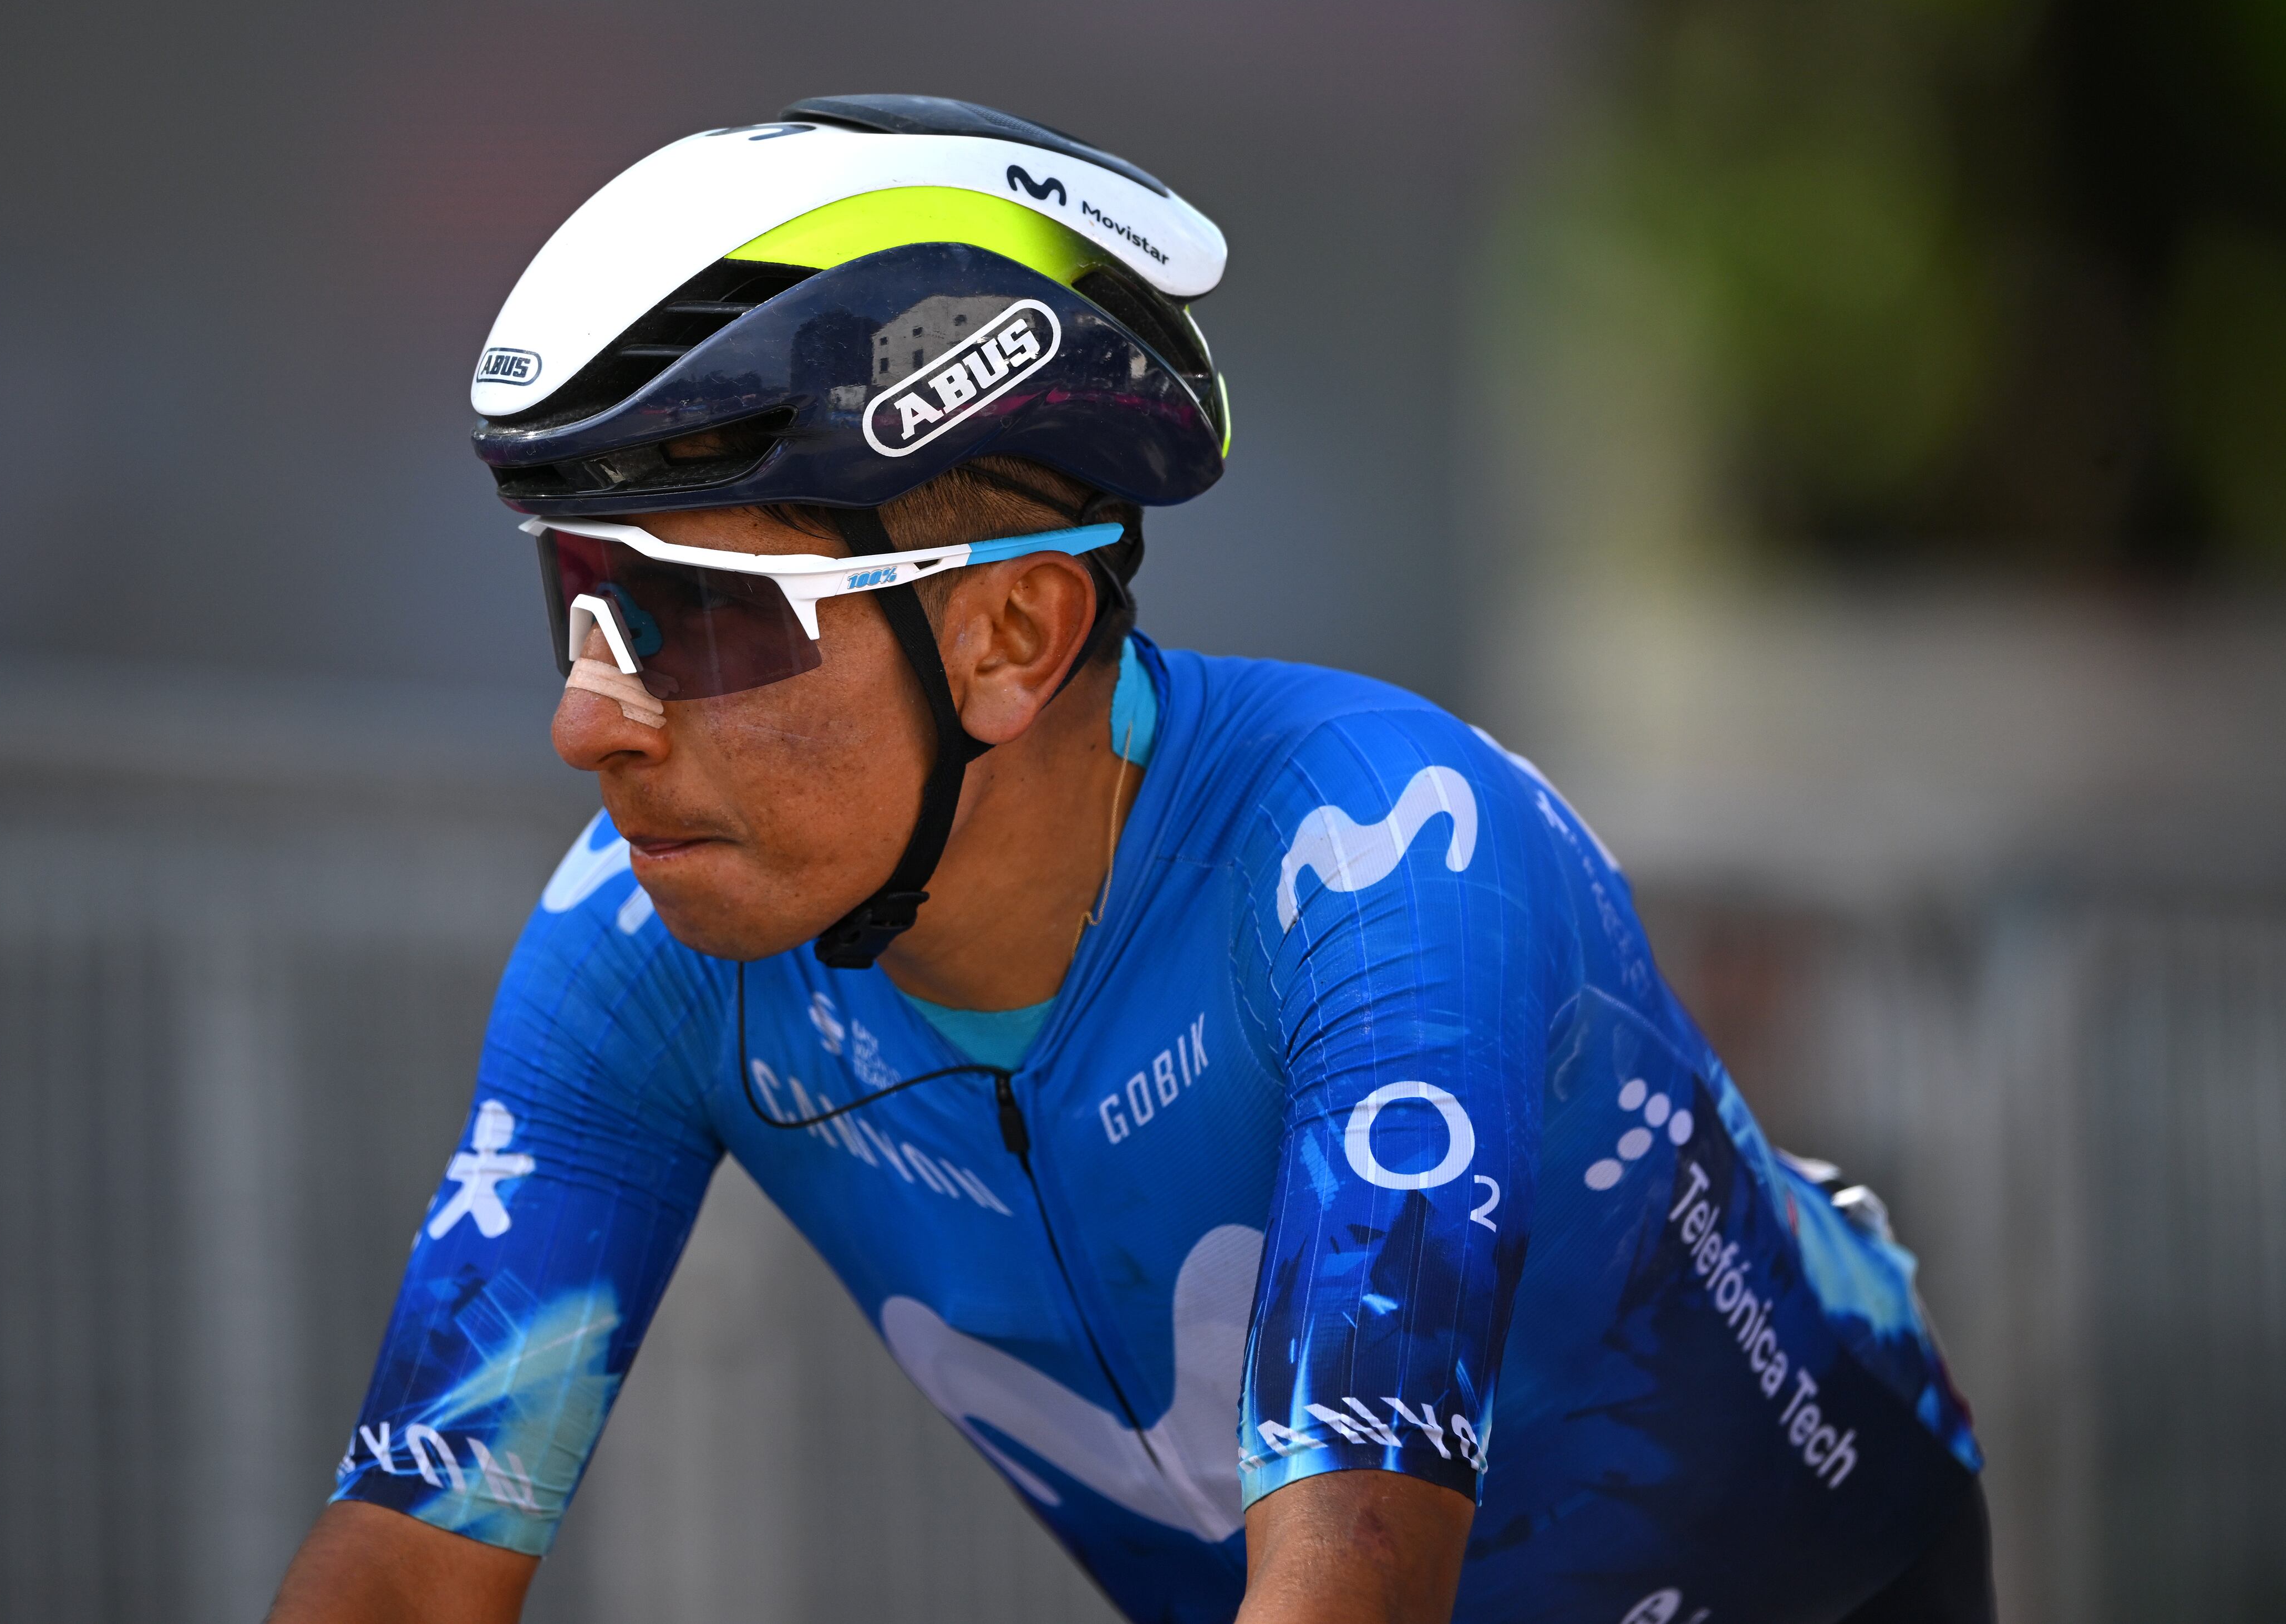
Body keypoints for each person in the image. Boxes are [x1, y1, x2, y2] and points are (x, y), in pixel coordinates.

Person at [266, 96, 1990, 1624]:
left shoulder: (1385, 855)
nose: (592, 724)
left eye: (704, 622)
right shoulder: (637, 949)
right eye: (578, 602)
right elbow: (412, 1564)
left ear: (1015, 634)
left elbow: (1351, 1586)